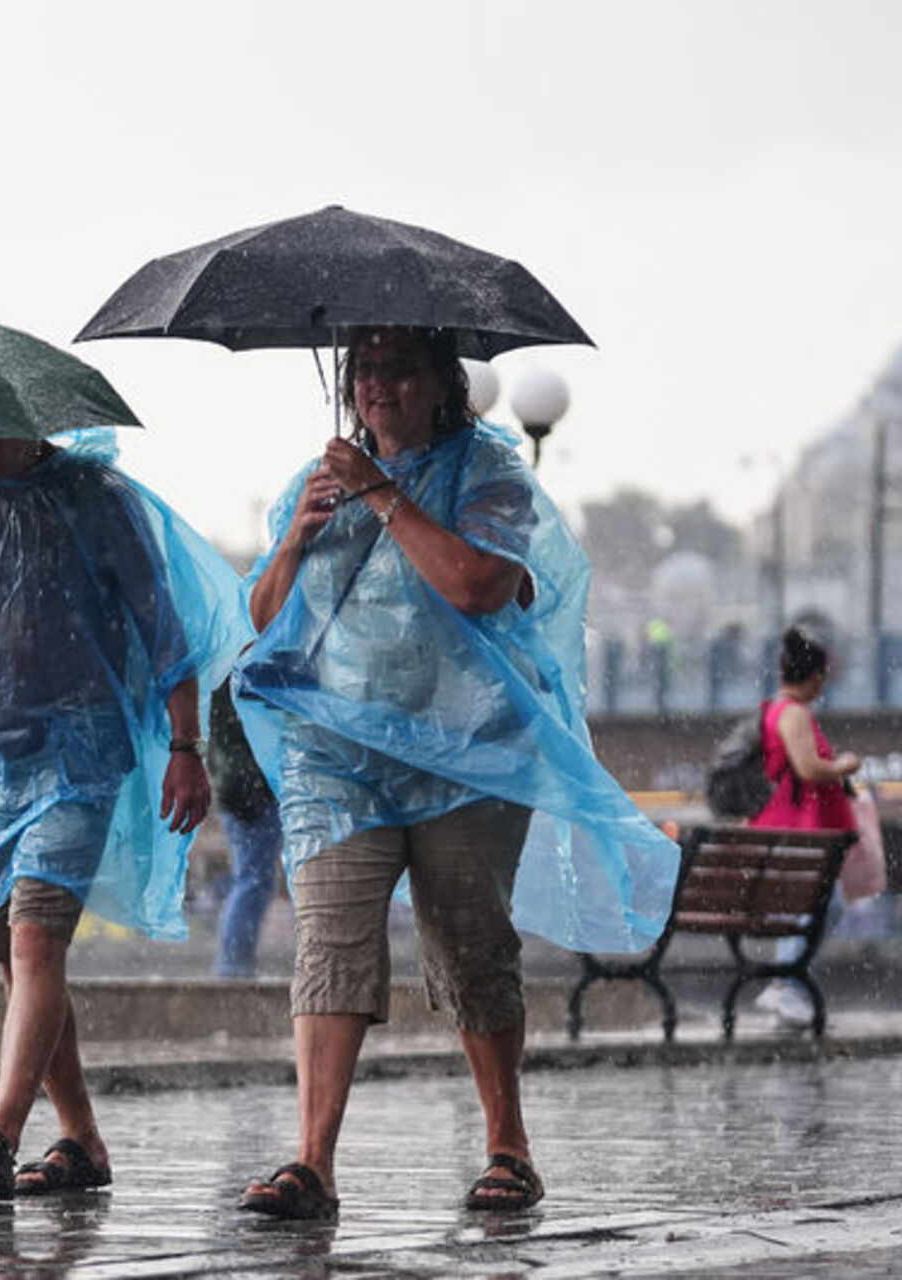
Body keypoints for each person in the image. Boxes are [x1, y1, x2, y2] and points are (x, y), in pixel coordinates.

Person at [231, 326, 680, 1220]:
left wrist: (383, 496)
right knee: (329, 940)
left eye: (398, 368)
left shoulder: (494, 478)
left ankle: (507, 1144)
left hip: (465, 753)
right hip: (336, 755)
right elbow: (264, 613)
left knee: (470, 944)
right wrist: (295, 541)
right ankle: (313, 1161)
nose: (376, 386)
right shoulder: (315, 480)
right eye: (364, 369)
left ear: (445, 382)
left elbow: (478, 585)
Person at [0, 430, 247, 1200]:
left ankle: (0, 1132)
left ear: (37, 419)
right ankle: (81, 1140)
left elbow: (164, 633)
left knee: (38, 941)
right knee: (20, 967)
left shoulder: (94, 498)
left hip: (75, 757)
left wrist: (186, 746)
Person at [749, 626, 860, 1027]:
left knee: (811, 907)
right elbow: (808, 768)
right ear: (814, 678)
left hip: (792, 824)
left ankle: (788, 987)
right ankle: (785, 985)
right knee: (815, 906)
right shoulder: (793, 713)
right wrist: (844, 765)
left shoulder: (777, 710)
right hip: (797, 825)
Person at [207, 682, 282, 978]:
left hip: (235, 783)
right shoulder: (239, 676)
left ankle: (234, 964)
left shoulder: (218, 673)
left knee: (253, 876)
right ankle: (233, 966)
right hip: (251, 787)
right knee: (254, 878)